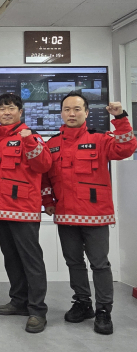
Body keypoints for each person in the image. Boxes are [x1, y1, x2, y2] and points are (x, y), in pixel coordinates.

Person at [42, 92, 137, 335]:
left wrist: (120, 118)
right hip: (65, 214)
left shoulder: (101, 139)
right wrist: (48, 200)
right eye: (67, 109)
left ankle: (104, 310)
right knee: (74, 262)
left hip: (96, 214)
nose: (71, 113)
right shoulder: (52, 144)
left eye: (77, 109)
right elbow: (45, 177)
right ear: (61, 113)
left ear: (86, 112)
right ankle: (83, 303)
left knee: (99, 264)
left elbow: (126, 148)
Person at [0, 93, 52, 333]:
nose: (6, 112)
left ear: (20, 112)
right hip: (0, 210)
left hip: (24, 210)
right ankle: (19, 301)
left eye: (11, 108)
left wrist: (28, 141)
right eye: (1, 109)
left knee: (31, 260)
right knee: (11, 259)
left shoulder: (32, 137)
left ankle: (37, 310)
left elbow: (43, 166)